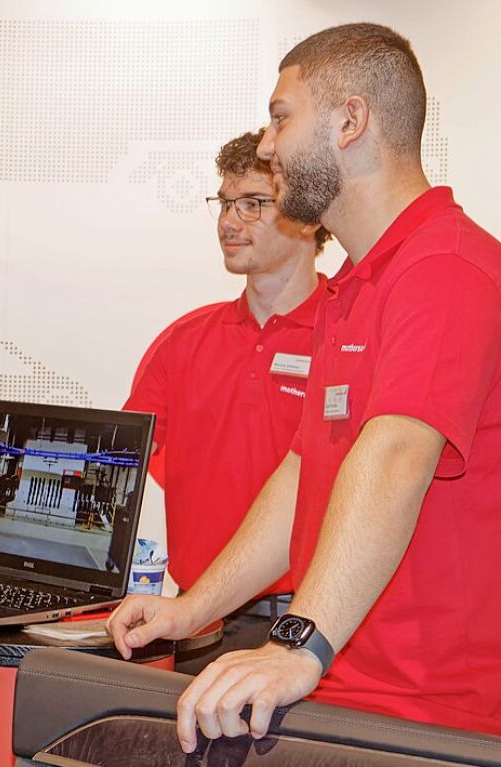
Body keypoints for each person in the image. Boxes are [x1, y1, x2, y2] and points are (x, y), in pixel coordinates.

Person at [108, 23, 501, 747]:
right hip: (343, 693)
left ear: (350, 121)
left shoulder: (445, 269)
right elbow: (302, 476)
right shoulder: (353, 289)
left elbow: (393, 457)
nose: (265, 145)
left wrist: (299, 643)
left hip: (430, 717)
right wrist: (192, 609)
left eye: (282, 116)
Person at [125, 129, 328, 673]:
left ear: (309, 218)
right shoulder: (183, 340)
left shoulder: (352, 333)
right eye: (225, 202)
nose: (228, 221)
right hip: (200, 622)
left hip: (311, 627)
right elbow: (116, 469)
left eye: (254, 204)